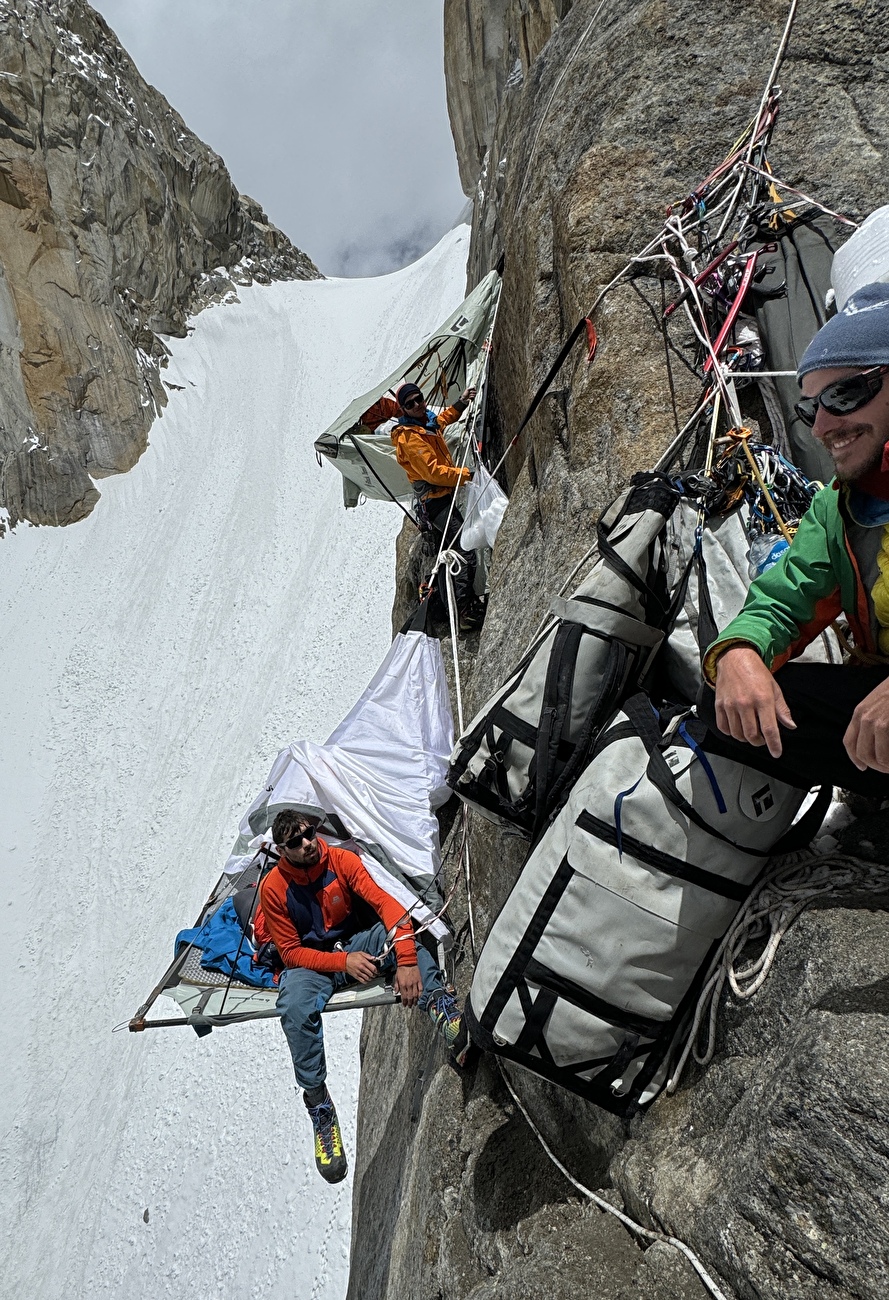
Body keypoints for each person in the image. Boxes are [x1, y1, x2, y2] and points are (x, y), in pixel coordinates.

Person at [701, 281, 889, 798]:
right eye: (810, 409)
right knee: (729, 704)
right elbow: (785, 601)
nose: (823, 425)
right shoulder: (838, 509)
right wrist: (740, 652)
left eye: (847, 394)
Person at [259, 807, 462, 1184]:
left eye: (310, 833)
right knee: (294, 1005)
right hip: (313, 965)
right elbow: (289, 953)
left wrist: (403, 958)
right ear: (282, 850)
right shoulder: (273, 888)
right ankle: (319, 1105)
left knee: (410, 944)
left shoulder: (342, 859)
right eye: (295, 842)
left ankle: (440, 1008)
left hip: (356, 943)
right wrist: (342, 962)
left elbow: (387, 904)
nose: (307, 844)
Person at [390, 381, 486, 633]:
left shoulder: (423, 425)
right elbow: (433, 473)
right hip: (437, 502)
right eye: (409, 404)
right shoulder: (410, 438)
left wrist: (461, 402)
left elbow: (440, 421)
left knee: (450, 555)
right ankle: (464, 613)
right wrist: (467, 475)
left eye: (418, 399)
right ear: (403, 409)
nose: (417, 405)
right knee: (462, 551)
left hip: (439, 500)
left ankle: (455, 608)